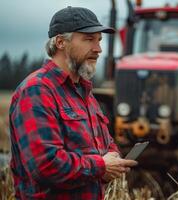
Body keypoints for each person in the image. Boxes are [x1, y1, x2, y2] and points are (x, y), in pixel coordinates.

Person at [9, 6, 137, 199]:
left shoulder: (84, 92)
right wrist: (101, 165)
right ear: (60, 42)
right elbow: (45, 166)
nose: (98, 49)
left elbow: (105, 144)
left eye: (99, 40)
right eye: (89, 39)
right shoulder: (37, 91)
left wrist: (114, 159)